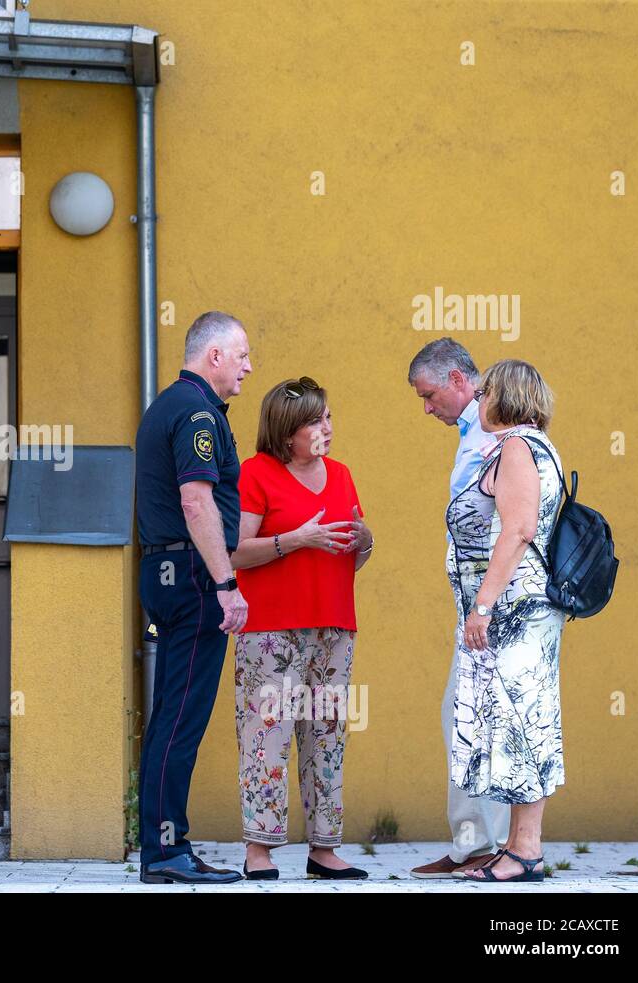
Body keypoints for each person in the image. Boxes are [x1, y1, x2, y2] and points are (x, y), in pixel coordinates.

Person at [230, 377, 372, 880]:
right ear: (286, 431)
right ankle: (259, 851)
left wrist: (366, 540)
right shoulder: (256, 474)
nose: (326, 428)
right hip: (271, 630)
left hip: (334, 625)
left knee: (327, 736)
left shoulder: (342, 474)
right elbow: (236, 552)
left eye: (328, 417)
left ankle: (324, 849)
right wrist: (296, 539)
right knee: (267, 735)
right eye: (315, 420)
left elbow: (349, 555)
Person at [135, 311, 252, 885]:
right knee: (181, 718)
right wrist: (226, 583)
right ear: (214, 356)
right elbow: (196, 502)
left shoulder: (167, 404)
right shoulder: (199, 411)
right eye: (242, 355)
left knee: (169, 715)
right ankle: (165, 851)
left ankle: (166, 846)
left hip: (165, 570)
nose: (248, 367)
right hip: (192, 576)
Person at [449, 360, 567, 883]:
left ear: (507, 396)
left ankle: (525, 852)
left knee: (522, 724)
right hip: (523, 608)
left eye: (484, 391)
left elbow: (516, 531)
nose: (477, 398)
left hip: (517, 608)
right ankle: (522, 849)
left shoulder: (519, 448)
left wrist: (483, 605)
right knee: (522, 722)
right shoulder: (531, 445)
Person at [407, 339, 510, 879]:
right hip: (475, 607)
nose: (426, 408)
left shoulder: (496, 426)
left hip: (492, 610)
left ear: (454, 379)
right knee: (465, 719)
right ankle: (477, 845)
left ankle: (492, 848)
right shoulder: (474, 429)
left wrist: (487, 604)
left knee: (478, 722)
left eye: (428, 395)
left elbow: (513, 521)